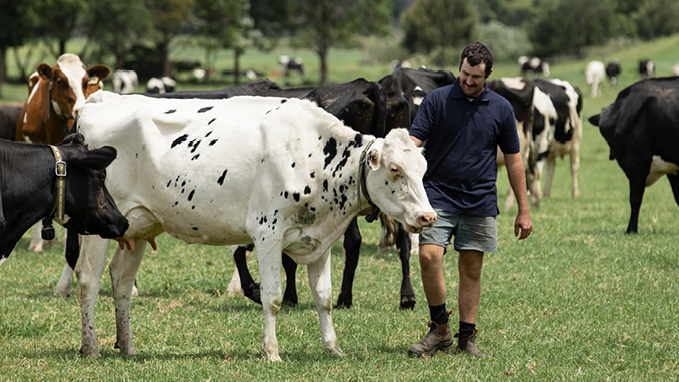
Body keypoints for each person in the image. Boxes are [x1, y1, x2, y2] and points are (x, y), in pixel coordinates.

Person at [407, 42, 533, 358]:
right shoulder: (436, 101)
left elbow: (515, 160)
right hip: (437, 195)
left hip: (479, 200)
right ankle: (439, 330)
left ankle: (466, 338)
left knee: (472, 269)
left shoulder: (501, 108)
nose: (468, 81)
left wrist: (523, 209)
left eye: (475, 77)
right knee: (429, 256)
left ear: (488, 74)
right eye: (465, 73)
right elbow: (412, 143)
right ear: (460, 68)